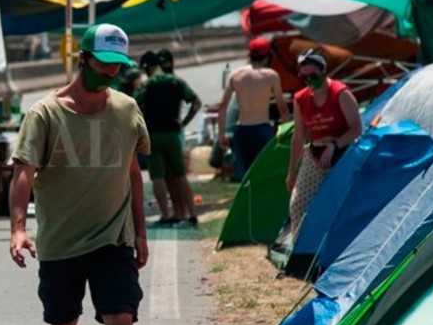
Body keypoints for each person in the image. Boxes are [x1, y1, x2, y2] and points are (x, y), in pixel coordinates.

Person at [8, 23, 171, 325]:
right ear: (83, 58)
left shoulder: (127, 109)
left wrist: (140, 231)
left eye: (120, 65)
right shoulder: (45, 113)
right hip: (61, 241)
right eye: (105, 63)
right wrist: (19, 228)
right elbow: (23, 171)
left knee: (121, 318)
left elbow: (132, 173)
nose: (113, 72)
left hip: (113, 240)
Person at [286, 48, 362, 241]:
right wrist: (292, 171)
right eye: (304, 78)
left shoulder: (340, 93)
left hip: (342, 152)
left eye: (313, 75)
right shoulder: (301, 99)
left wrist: (334, 145)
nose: (309, 81)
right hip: (314, 154)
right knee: (298, 203)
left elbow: (356, 128)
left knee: (340, 204)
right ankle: (299, 252)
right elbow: (299, 135)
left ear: (324, 70)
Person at [138, 49, 203, 226]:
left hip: (153, 136)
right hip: (173, 135)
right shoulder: (177, 82)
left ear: (148, 68)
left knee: (157, 177)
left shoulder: (146, 85)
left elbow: (134, 106)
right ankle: (192, 214)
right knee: (180, 176)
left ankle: (166, 215)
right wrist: (184, 122)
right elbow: (196, 103)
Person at [217, 37, 291, 181]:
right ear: (267, 57)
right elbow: (282, 108)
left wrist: (221, 134)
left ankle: (248, 203)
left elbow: (222, 106)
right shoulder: (271, 75)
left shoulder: (235, 74)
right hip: (262, 129)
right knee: (266, 174)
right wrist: (287, 132)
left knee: (245, 177)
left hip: (242, 130)